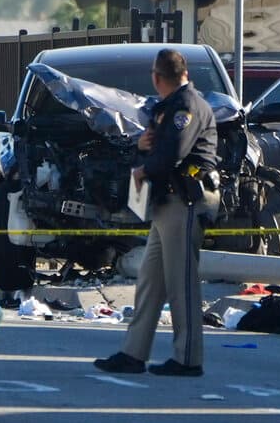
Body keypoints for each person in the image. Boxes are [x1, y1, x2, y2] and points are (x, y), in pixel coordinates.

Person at [94, 48, 217, 377]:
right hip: (166, 205)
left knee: (182, 284)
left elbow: (173, 153)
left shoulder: (186, 107)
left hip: (184, 202)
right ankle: (133, 354)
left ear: (157, 77)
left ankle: (188, 358)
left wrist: (142, 169)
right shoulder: (170, 107)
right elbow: (160, 146)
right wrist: (142, 147)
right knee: (149, 282)